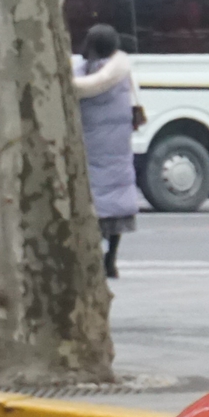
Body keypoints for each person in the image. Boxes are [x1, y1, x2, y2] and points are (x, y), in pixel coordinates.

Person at [74, 24, 139, 279]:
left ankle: (91, 257)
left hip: (91, 145)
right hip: (118, 146)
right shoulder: (122, 73)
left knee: (93, 201)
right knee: (116, 197)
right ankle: (110, 259)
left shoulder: (82, 76)